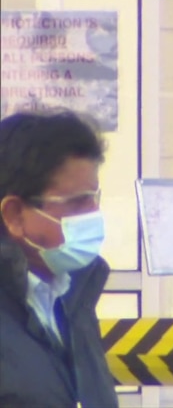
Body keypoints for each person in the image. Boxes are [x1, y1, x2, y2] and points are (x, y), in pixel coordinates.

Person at [0, 110, 118, 408]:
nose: (93, 215)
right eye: (77, 202)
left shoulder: (73, 299)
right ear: (14, 215)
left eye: (94, 198)